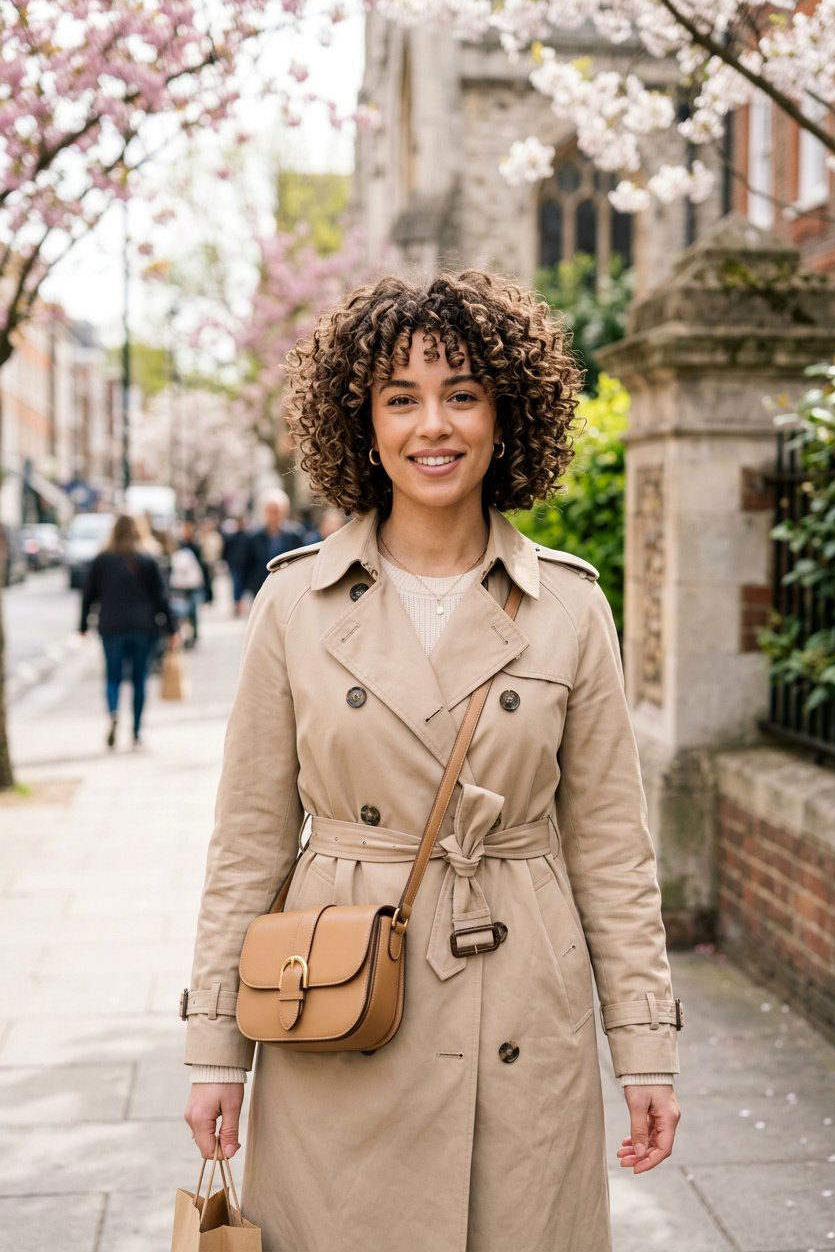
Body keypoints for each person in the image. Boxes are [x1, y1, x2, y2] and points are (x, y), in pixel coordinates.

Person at [181, 271, 683, 1252]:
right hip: (340, 1003)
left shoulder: (568, 607)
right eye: (400, 399)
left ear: (505, 415)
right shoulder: (294, 603)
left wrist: (645, 1049)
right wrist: (214, 1050)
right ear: (361, 425)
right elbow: (246, 837)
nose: (432, 426)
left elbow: (613, 846)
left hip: (523, 1006)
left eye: (460, 394)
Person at [80, 511, 178, 749]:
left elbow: (88, 595)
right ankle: (135, 731)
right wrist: (172, 628)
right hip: (143, 626)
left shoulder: (102, 559)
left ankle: (114, 713)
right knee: (139, 678)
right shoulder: (148, 558)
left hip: (111, 625)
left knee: (113, 676)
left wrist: (82, 625)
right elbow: (161, 596)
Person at [241, 489, 304, 599]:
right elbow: (247, 565)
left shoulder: (295, 534)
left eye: (277, 511)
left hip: (288, 588)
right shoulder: (254, 537)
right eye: (270, 511)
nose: (274, 515)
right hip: (261, 589)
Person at [169, 519, 213, 649]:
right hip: (180, 586)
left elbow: (203, 568)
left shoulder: (196, 546)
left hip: (194, 585)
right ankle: (184, 637)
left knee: (193, 612)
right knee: (183, 613)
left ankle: (193, 636)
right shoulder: (179, 545)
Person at [221, 514, 251, 617]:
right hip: (235, 566)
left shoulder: (248, 537)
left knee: (242, 587)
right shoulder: (232, 537)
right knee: (236, 586)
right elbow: (226, 551)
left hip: (246, 567)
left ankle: (241, 606)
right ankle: (237, 606)